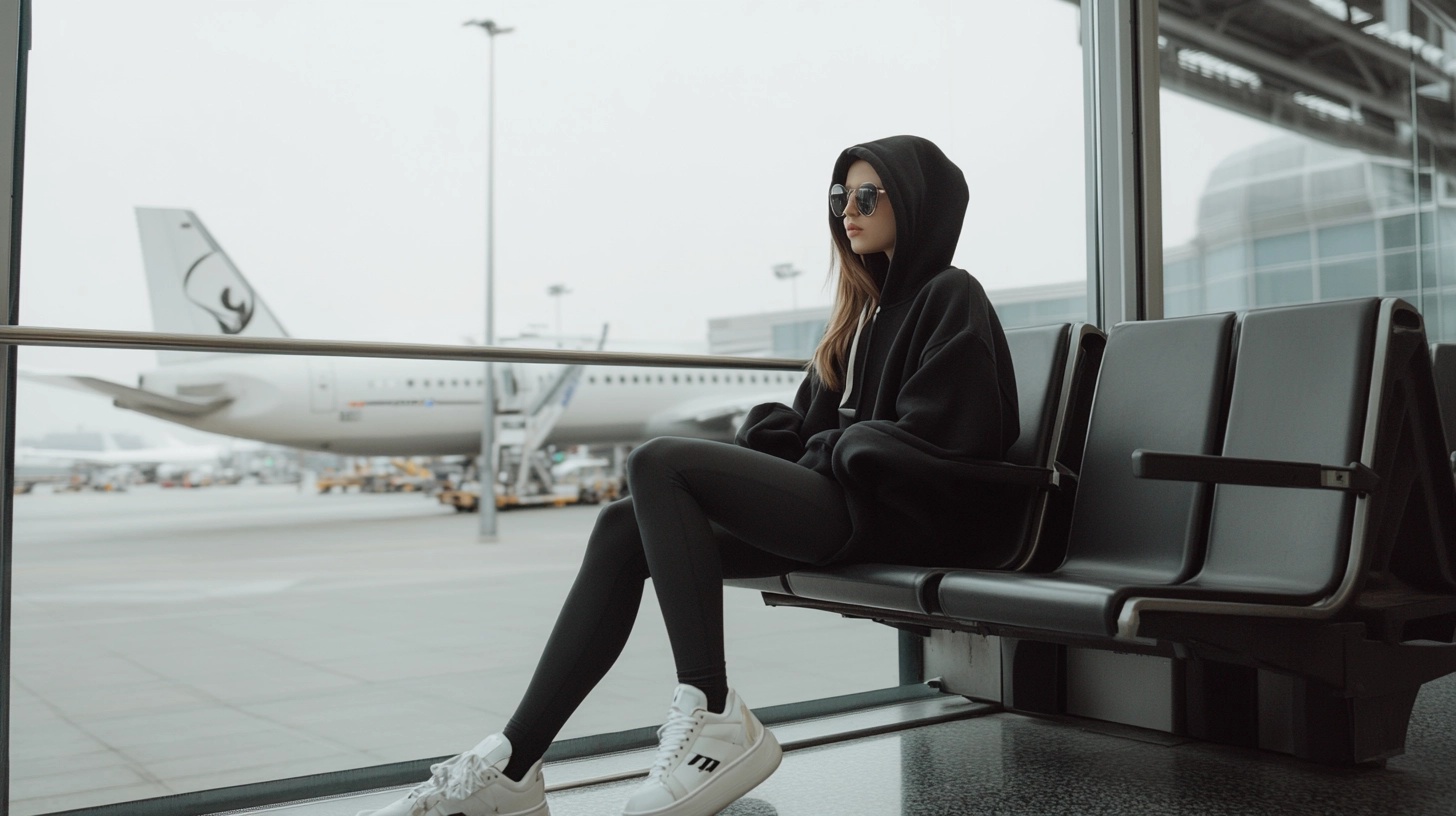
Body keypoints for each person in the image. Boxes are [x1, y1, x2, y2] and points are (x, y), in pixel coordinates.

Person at [361, 134, 1019, 816]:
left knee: (658, 460)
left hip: (900, 519)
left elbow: (951, 436)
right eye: (838, 196)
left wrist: (832, 449)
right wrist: (790, 439)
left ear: (915, 205)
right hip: (848, 507)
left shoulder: (950, 295)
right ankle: (514, 763)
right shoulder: (860, 317)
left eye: (866, 196)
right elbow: (811, 429)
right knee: (624, 525)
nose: (846, 210)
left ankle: (710, 710)